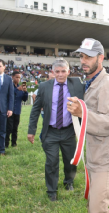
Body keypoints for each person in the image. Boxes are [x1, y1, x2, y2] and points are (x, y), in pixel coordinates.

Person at [68, 38, 109, 213]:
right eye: (81, 56)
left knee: (96, 210)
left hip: (106, 157)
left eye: (88, 57)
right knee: (94, 206)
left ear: (100, 58)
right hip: (95, 154)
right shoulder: (92, 81)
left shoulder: (107, 84)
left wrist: (82, 113)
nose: (83, 61)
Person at [27, 59, 85, 202]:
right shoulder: (44, 86)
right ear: (52, 72)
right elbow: (35, 109)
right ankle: (52, 190)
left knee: (70, 160)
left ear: (68, 71)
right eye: (57, 71)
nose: (60, 75)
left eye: (63, 71)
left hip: (69, 131)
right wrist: (31, 130)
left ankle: (69, 182)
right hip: (50, 131)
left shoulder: (77, 84)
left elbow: (86, 102)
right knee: (51, 161)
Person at [5, 71, 28, 148]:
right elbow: (8, 95)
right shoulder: (9, 86)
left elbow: (24, 99)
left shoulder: (20, 88)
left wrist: (25, 92)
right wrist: (17, 89)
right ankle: (6, 144)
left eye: (19, 77)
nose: (18, 79)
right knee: (9, 128)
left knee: (15, 128)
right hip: (9, 111)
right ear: (12, 77)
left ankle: (14, 143)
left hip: (17, 111)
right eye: (16, 77)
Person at [32, 72, 55, 141]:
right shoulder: (44, 86)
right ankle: (42, 137)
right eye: (52, 78)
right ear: (47, 79)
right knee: (47, 124)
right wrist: (39, 106)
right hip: (44, 111)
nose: (53, 80)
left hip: (53, 110)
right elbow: (34, 95)